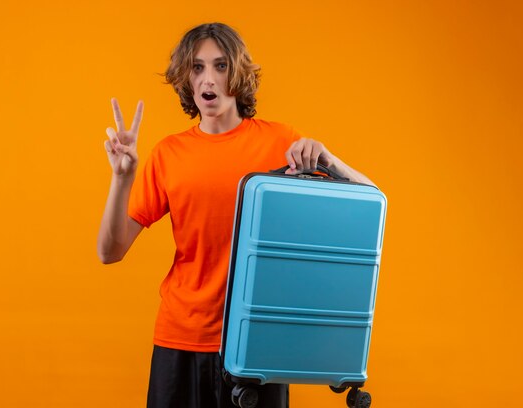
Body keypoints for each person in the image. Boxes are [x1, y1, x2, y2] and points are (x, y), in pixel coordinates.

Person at [97, 22, 375, 408]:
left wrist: (327, 158)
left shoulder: (280, 143)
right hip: (183, 339)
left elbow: (369, 199)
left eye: (221, 66)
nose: (208, 78)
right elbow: (109, 251)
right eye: (197, 67)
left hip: (258, 344)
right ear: (185, 78)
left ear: (238, 73)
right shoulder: (168, 154)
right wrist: (121, 179)